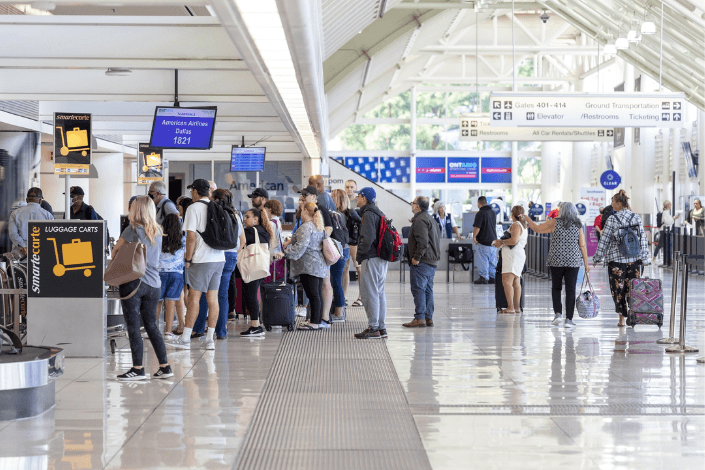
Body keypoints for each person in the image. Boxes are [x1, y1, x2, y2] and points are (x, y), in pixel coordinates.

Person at [112, 196, 173, 381]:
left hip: (134, 282)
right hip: (154, 284)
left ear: (135, 210)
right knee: (152, 326)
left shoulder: (131, 230)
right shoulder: (157, 230)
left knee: (133, 327)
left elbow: (115, 252)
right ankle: (165, 366)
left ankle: (138, 369)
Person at [166, 179, 225, 351]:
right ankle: (210, 340)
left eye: (192, 191)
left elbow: (190, 238)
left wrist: (188, 259)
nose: (191, 193)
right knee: (213, 299)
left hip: (201, 260)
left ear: (195, 191)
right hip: (218, 258)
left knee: (194, 299)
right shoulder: (216, 206)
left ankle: (185, 338)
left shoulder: (193, 208)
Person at [522, 202, 590, 327]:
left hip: (556, 260)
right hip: (573, 261)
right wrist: (586, 263)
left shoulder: (554, 222)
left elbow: (537, 229)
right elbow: (582, 245)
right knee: (570, 290)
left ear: (561, 210)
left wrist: (527, 219)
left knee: (556, 287)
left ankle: (558, 314)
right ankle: (568, 319)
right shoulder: (577, 224)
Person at [593, 190, 649, 327]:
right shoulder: (636, 217)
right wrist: (645, 258)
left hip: (616, 261)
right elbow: (642, 238)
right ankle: (632, 313)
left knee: (618, 290)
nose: (611, 204)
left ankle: (621, 319)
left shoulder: (612, 219)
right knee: (633, 288)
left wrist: (597, 258)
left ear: (619, 203)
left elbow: (604, 241)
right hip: (634, 259)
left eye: (613, 202)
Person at [274, 202, 326, 329]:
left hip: (309, 266)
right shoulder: (317, 225)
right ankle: (316, 321)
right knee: (317, 294)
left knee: (313, 294)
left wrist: (284, 253)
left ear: (305, 211)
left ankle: (314, 322)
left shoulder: (306, 227)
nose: (299, 213)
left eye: (301, 210)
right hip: (317, 264)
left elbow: (300, 247)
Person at [353, 187, 389, 339]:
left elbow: (367, 239)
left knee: (370, 293)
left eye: (358, 196)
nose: (356, 199)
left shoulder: (368, 214)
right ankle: (380, 327)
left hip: (371, 258)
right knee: (379, 292)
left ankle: (373, 327)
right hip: (381, 258)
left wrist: (359, 255)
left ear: (364, 198)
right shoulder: (378, 212)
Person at [299, 185, 334, 327]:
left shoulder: (320, 210)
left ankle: (323, 318)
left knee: (324, 284)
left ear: (314, 196)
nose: (302, 199)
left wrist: (316, 243)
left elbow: (328, 229)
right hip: (312, 255)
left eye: (305, 196)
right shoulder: (303, 210)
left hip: (320, 254)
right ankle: (315, 318)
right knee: (315, 289)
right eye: (301, 196)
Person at [403, 196, 440, 328]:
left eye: (412, 203)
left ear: (417, 206)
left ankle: (419, 318)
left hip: (422, 261)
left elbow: (423, 242)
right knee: (427, 290)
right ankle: (427, 317)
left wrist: (416, 257)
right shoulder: (430, 218)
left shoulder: (420, 220)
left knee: (418, 289)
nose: (411, 205)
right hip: (431, 261)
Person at [238, 207, 274, 337]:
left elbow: (239, 242)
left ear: (255, 219)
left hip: (251, 267)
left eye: (247, 217)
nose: (245, 219)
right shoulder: (264, 231)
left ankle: (255, 326)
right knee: (252, 294)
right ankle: (256, 324)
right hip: (260, 267)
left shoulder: (250, 231)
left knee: (251, 295)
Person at [491, 206, 528, 314]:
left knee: (507, 282)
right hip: (517, 256)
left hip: (512, 257)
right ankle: (516, 307)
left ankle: (511, 307)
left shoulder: (516, 225)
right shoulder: (523, 225)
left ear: (512, 214)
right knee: (516, 281)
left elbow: (513, 241)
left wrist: (501, 242)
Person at [159, 214, 186, 341]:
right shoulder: (183, 239)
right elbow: (187, 255)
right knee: (171, 302)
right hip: (176, 274)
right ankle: (168, 332)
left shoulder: (159, 237)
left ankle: (153, 330)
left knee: (157, 302)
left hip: (159, 273)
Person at [8, 187, 54, 258]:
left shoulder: (15, 214)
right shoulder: (48, 216)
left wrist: (24, 247)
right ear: (40, 201)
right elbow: (50, 235)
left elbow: (13, 234)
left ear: (26, 200)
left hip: (20, 254)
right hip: (40, 255)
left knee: (19, 269)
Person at [329, 189, 351, 322]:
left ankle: (339, 312)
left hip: (339, 249)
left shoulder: (336, 215)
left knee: (336, 281)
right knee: (337, 280)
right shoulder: (346, 214)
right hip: (345, 249)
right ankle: (339, 310)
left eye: (332, 197)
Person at [344, 179, 363, 307]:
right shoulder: (342, 201)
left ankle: (361, 297)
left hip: (356, 240)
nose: (349, 189)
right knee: (344, 268)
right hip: (345, 239)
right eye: (347, 187)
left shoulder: (359, 203)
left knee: (359, 268)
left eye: (351, 187)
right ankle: (343, 297)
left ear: (355, 188)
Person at [472, 196, 497, 285]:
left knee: (483, 260)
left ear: (479, 203)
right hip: (493, 241)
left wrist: (474, 237)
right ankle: (492, 277)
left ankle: (483, 278)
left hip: (483, 240)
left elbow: (477, 227)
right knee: (492, 261)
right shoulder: (493, 213)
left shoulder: (480, 213)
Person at [263, 199, 285, 283]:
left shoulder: (271, 224)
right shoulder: (277, 221)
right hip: (277, 254)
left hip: (272, 256)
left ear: (269, 209)